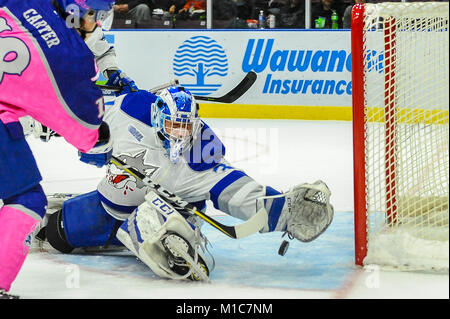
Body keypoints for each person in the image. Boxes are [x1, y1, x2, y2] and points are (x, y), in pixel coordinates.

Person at [35, 86, 335, 281]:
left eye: (185, 126)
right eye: (172, 125)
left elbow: (234, 189)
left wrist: (281, 211)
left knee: (157, 228)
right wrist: (87, 142)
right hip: (107, 205)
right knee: (57, 235)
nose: (179, 133)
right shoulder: (128, 111)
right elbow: (88, 135)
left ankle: (175, 242)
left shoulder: (201, 153)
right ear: (157, 117)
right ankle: (65, 208)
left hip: (159, 214)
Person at [0, 0, 117, 299]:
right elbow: (87, 133)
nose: (98, 24)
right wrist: (101, 140)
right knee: (25, 199)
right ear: (79, 12)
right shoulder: (72, 58)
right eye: (96, 16)